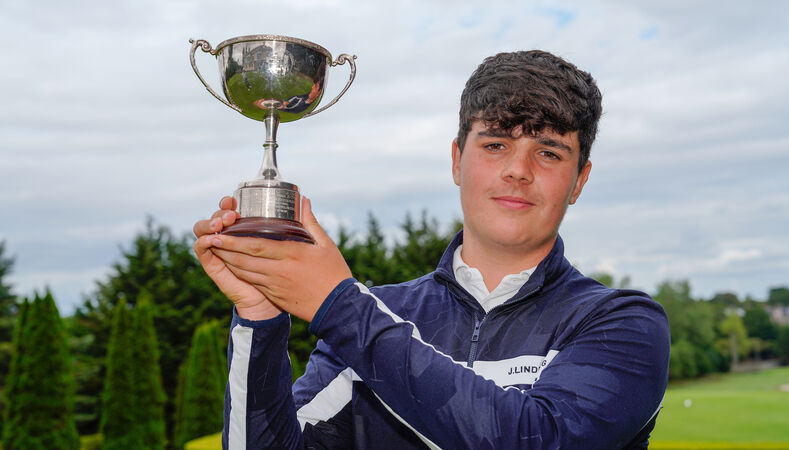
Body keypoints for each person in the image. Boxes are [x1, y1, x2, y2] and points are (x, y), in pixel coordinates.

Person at [193, 49, 670, 449]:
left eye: (548, 152)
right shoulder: (382, 312)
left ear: (579, 180)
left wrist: (336, 304)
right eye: (496, 145)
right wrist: (260, 317)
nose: (518, 171)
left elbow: (537, 438)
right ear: (458, 160)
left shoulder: (622, 322)